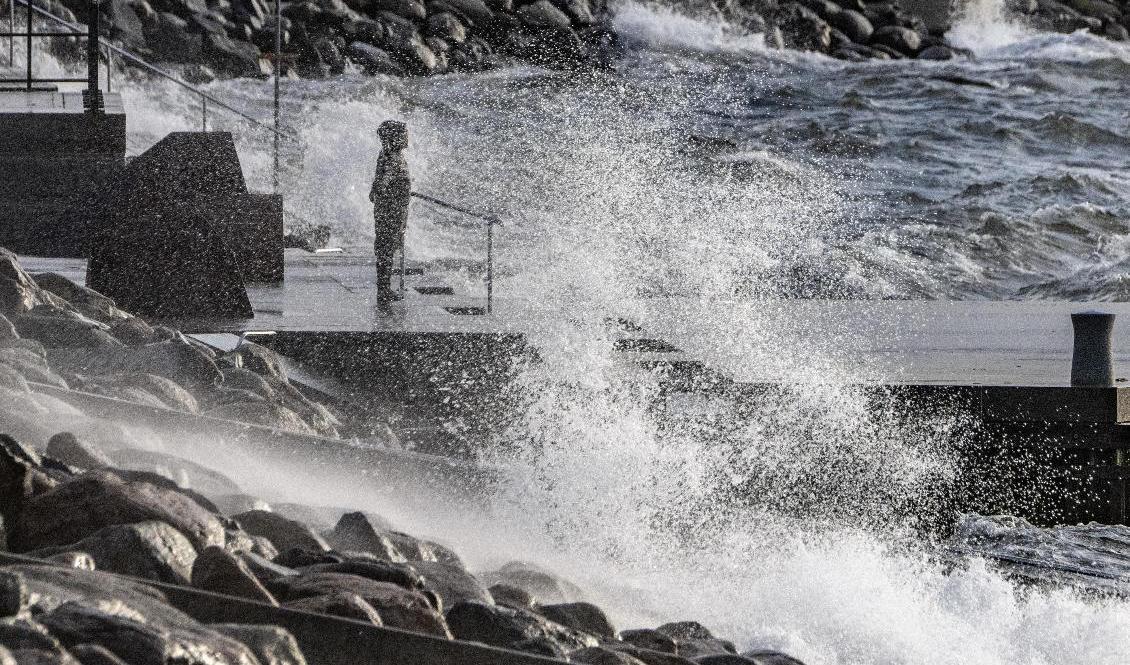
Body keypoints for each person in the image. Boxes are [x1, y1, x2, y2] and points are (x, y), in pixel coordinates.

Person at [369, 120, 411, 309]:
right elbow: (381, 184)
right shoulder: (393, 157)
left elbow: (377, 184)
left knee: (386, 248)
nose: (406, 138)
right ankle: (384, 289)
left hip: (391, 210)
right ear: (395, 137)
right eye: (403, 134)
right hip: (391, 211)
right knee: (386, 248)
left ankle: (384, 288)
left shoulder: (387, 155)